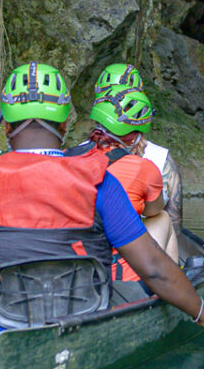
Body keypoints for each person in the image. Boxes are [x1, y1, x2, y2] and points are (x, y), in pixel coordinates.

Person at [0, 62, 204, 336]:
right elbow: (153, 268)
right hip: (87, 311)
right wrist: (202, 311)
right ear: (63, 127)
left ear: (8, 128)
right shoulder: (99, 181)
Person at [63, 89, 183, 265]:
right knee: (162, 218)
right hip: (121, 274)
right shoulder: (142, 167)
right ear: (133, 138)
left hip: (72, 268)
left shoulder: (65, 158)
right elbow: (154, 210)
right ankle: (173, 281)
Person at [90, 64, 183, 217]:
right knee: (164, 220)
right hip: (139, 237)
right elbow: (175, 226)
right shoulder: (162, 160)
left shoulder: (75, 155)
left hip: (88, 238)